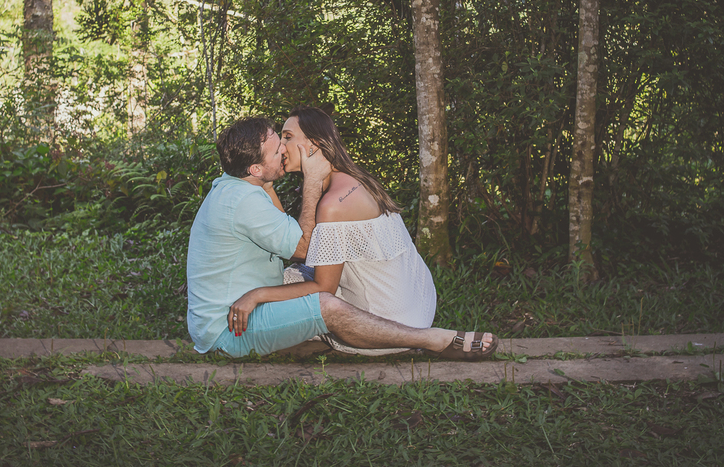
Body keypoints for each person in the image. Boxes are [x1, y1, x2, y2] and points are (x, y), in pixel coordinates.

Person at [186, 115, 497, 360]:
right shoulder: (246, 201)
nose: (282, 147)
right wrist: (311, 182)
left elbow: (302, 250)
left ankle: (416, 337)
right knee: (313, 293)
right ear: (254, 169)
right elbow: (304, 248)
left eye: (285, 138)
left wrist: (258, 294)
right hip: (232, 327)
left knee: (304, 285)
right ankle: (431, 339)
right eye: (277, 143)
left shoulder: (238, 186)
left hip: (243, 311)